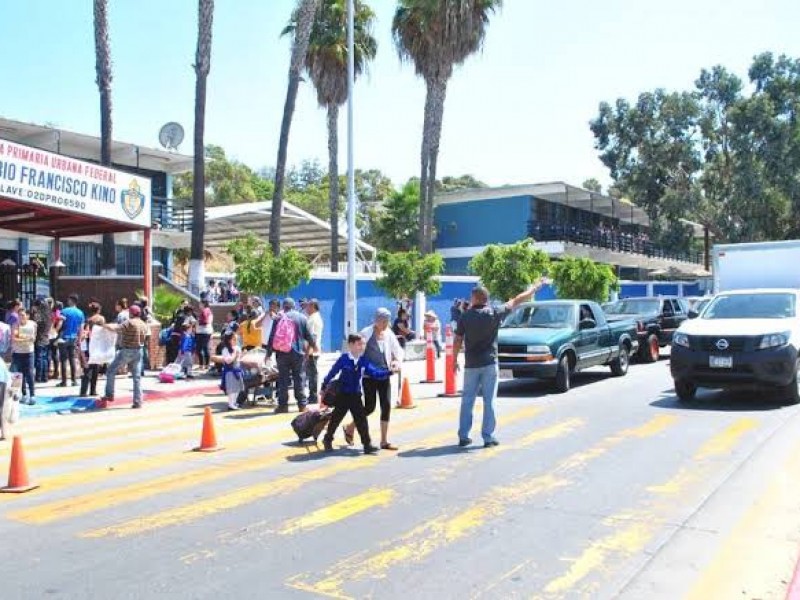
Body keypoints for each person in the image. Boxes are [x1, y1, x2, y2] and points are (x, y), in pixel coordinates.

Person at [452, 280, 545, 448]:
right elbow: (517, 299)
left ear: (474, 298)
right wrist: (534, 288)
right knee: (489, 401)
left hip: (471, 365)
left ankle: (463, 436)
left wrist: (453, 360)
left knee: (467, 400)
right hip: (489, 363)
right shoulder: (495, 312)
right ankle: (488, 437)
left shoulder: (464, 316)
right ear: (486, 299)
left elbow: (458, 340)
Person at [321, 334, 394, 455]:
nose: (362, 347)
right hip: (343, 395)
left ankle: (367, 444)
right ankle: (327, 439)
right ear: (351, 345)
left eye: (364, 344)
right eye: (359, 344)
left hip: (356, 396)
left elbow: (375, 373)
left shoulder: (363, 360)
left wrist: (389, 372)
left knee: (361, 421)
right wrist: (324, 384)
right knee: (336, 419)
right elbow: (333, 372)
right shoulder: (344, 359)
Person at [343, 308, 404, 450]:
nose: (385, 324)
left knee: (386, 405)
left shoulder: (389, 334)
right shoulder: (366, 333)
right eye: (383, 321)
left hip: (384, 374)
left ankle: (384, 441)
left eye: (387, 321)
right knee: (370, 407)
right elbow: (354, 351)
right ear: (376, 320)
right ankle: (351, 427)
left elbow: (398, 351)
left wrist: (396, 362)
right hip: (368, 376)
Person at [267, 298, 317, 414]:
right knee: (299, 377)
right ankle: (302, 405)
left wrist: (268, 354)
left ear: (284, 307)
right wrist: (313, 347)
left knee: (283, 379)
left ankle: (283, 406)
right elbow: (309, 336)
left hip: (281, 353)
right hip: (297, 353)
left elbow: (272, 337)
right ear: (294, 306)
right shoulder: (302, 318)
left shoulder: (279, 318)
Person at [100, 304, 150, 409]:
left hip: (127, 350)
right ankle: (138, 401)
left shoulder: (129, 322)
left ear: (131, 313)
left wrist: (104, 325)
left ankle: (109, 394)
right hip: (139, 350)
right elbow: (147, 337)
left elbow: (117, 328)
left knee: (111, 371)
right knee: (137, 378)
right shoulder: (143, 324)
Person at [79, 302, 106, 397]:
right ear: (98, 310)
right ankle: (93, 390)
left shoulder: (88, 319)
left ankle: (83, 391)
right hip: (97, 344)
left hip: (89, 344)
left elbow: (84, 333)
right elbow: (103, 331)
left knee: (87, 368)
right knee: (95, 368)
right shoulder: (101, 318)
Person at [58, 294, 85, 387]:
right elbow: (81, 328)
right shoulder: (80, 313)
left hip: (64, 337)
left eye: (68, 299)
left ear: (71, 300)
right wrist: (79, 339)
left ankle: (64, 381)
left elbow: (60, 324)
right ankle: (74, 380)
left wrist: (55, 331)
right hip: (74, 338)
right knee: (72, 359)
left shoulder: (64, 311)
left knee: (63, 359)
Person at [11, 309, 37, 405]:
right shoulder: (15, 325)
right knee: (19, 375)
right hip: (18, 353)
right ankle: (24, 394)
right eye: (19, 315)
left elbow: (33, 338)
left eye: (23, 315)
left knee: (30, 374)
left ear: (27, 316)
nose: (21, 317)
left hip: (29, 352)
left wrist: (23, 338)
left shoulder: (33, 324)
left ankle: (32, 395)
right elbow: (14, 338)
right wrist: (25, 339)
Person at [304, 299, 324, 404]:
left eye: (308, 306)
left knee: (312, 374)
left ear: (313, 306)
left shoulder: (314, 319)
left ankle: (313, 396)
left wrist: (309, 351)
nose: (306, 308)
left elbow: (313, 337)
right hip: (311, 350)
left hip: (312, 351)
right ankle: (312, 395)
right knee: (310, 373)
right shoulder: (312, 318)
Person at [219, 332, 245, 411]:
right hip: (229, 371)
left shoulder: (237, 347)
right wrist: (234, 354)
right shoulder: (225, 349)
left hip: (237, 370)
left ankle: (233, 403)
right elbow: (228, 361)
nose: (235, 340)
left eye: (236, 339)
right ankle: (230, 404)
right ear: (229, 340)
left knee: (237, 388)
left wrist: (243, 354)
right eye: (234, 339)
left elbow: (239, 359)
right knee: (231, 389)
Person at [30, 298, 51, 383]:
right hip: (46, 338)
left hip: (39, 338)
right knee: (44, 358)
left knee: (39, 358)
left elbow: (34, 326)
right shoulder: (47, 315)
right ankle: (45, 376)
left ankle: (38, 377)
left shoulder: (38, 316)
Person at [195, 299, 213, 370]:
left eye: (200, 304)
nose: (199, 305)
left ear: (203, 304)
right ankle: (204, 365)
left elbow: (205, 321)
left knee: (201, 348)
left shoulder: (205, 311)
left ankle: (203, 365)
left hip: (203, 332)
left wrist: (197, 321)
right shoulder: (207, 310)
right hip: (204, 332)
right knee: (203, 348)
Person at [49, 300, 62, 380]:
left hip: (51, 335)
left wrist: (54, 330)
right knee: (54, 353)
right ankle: (55, 372)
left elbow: (59, 322)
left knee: (51, 353)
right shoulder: (57, 312)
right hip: (54, 335)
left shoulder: (54, 312)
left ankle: (53, 372)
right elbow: (60, 322)